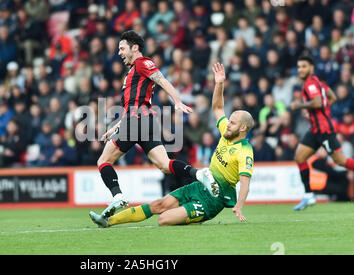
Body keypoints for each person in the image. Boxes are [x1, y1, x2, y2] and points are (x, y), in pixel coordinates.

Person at [90, 62, 254, 227]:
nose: (228, 124)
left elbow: (245, 182)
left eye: (232, 123)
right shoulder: (226, 132)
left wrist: (239, 206)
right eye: (229, 121)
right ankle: (108, 221)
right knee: (158, 205)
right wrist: (219, 84)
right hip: (200, 186)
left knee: (164, 219)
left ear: (243, 128)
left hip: (215, 198)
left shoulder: (245, 152)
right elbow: (218, 107)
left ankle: (194, 220)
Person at [95, 30, 203, 219]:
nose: (119, 53)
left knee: (103, 161)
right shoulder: (132, 72)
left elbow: (162, 80)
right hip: (144, 121)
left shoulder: (142, 63)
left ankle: (118, 197)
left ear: (134, 48)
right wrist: (114, 128)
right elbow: (133, 107)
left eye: (122, 48)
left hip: (137, 120)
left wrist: (177, 101)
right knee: (164, 165)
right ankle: (200, 175)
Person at [290, 54, 354, 211]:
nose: (300, 70)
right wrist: (318, 112)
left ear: (311, 68)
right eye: (299, 67)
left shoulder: (310, 83)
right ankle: (308, 195)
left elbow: (318, 102)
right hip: (315, 129)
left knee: (341, 161)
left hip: (324, 130)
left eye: (304, 66)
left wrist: (300, 106)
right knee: (299, 157)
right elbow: (332, 97)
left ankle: (309, 195)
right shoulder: (318, 82)